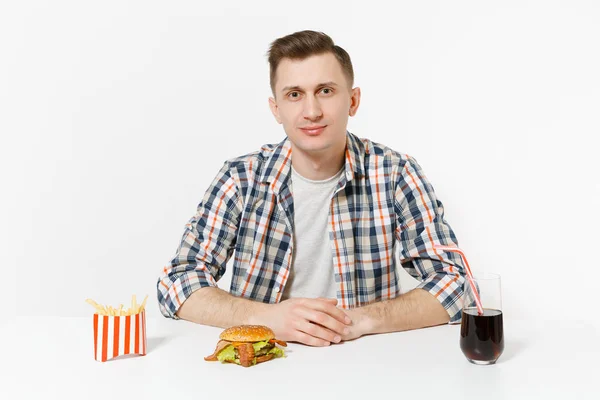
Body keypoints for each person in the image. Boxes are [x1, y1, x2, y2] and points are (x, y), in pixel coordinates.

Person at [157, 30, 466, 347]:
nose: (312, 111)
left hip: (366, 366)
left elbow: (456, 285)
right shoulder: (241, 177)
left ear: (353, 100)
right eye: (294, 95)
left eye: (326, 91)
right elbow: (176, 284)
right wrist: (269, 319)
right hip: (262, 366)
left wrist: (356, 320)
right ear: (276, 108)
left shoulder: (396, 174)